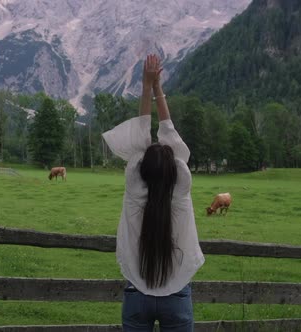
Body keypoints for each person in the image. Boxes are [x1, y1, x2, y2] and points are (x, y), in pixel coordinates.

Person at [102, 54, 205, 332]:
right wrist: (158, 87)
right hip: (177, 293)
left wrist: (146, 86)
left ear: (141, 169)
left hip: (137, 292)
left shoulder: (135, 191)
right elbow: (171, 138)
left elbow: (139, 140)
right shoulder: (181, 191)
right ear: (176, 170)